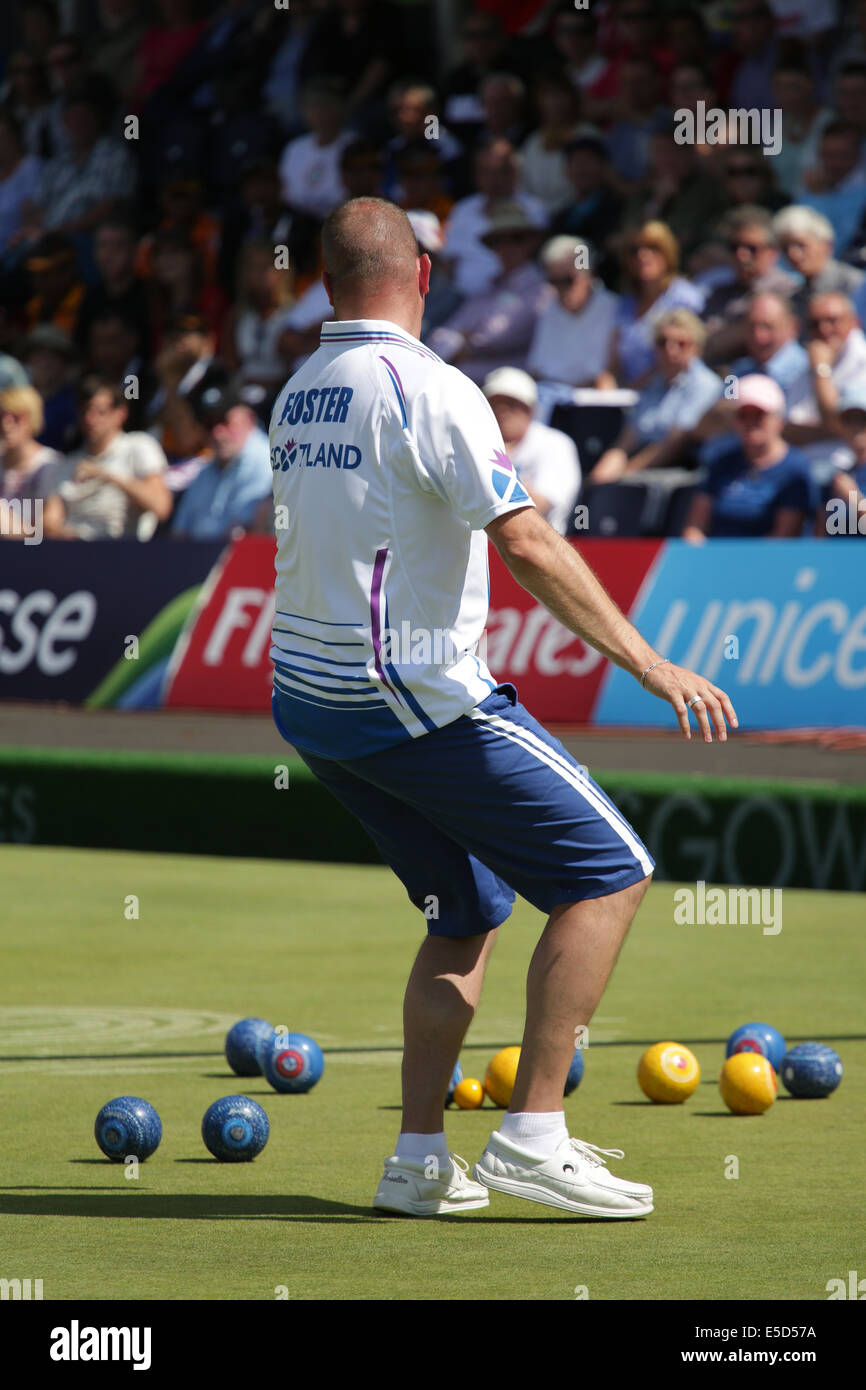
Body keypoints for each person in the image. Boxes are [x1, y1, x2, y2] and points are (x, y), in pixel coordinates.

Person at [268, 195, 736, 1218]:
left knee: (464, 910)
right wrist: (649, 665)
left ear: (323, 283)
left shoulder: (299, 387)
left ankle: (417, 1159)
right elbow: (524, 540)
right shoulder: (429, 387)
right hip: (409, 699)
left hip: (309, 704)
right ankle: (531, 1133)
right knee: (612, 872)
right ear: (424, 275)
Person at [592, 308, 723, 481]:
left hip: (677, 471)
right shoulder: (654, 383)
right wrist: (601, 475)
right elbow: (628, 438)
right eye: (663, 342)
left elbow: (675, 443)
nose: (671, 350)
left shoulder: (705, 385)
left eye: (681, 343)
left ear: (696, 348)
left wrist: (623, 477)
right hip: (642, 466)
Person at [427, 201, 549, 384]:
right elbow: (439, 338)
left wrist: (466, 342)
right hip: (468, 382)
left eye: (516, 238)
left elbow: (499, 337)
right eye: (498, 241)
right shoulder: (488, 289)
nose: (506, 247)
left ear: (531, 242)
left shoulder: (541, 290)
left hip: (509, 388)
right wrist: (461, 341)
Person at [682, 375, 814, 540]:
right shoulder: (721, 460)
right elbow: (695, 527)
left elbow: (783, 538)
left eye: (759, 415)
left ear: (778, 420)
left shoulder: (795, 469)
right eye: (743, 415)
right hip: (714, 558)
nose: (751, 422)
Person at [43, 376, 171, 539]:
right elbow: (49, 523)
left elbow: (160, 506)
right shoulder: (69, 463)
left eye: (100, 412)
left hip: (122, 552)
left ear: (120, 413)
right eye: (85, 411)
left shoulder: (138, 446)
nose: (91, 419)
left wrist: (107, 475)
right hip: (73, 551)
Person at [170, 374, 272, 540]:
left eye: (225, 422)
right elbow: (179, 534)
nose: (217, 434)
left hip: (247, 561)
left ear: (249, 419)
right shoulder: (204, 470)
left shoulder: (268, 461)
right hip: (200, 560)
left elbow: (249, 534)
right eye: (209, 425)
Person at [482, 367, 581, 534]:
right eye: (495, 404)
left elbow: (538, 506)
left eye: (511, 404)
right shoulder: (479, 441)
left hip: (540, 545)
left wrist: (488, 472)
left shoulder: (555, 444)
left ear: (531, 409)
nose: (501, 411)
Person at [607, 221, 705, 387]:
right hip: (628, 398)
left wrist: (637, 389)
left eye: (653, 247)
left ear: (667, 252)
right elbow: (614, 362)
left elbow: (686, 355)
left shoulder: (685, 297)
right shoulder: (626, 303)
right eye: (634, 250)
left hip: (672, 392)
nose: (643, 256)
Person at [785, 291, 866, 477]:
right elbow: (786, 429)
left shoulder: (862, 359)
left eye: (832, 320)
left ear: (854, 322)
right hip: (804, 466)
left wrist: (821, 371)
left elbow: (836, 424)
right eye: (815, 324)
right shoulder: (807, 361)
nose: (824, 329)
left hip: (849, 471)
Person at [526, 235, 619, 387]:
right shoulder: (548, 310)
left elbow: (610, 375)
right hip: (550, 399)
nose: (561, 289)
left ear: (588, 275)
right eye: (554, 281)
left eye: (568, 280)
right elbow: (536, 370)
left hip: (595, 402)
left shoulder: (614, 308)